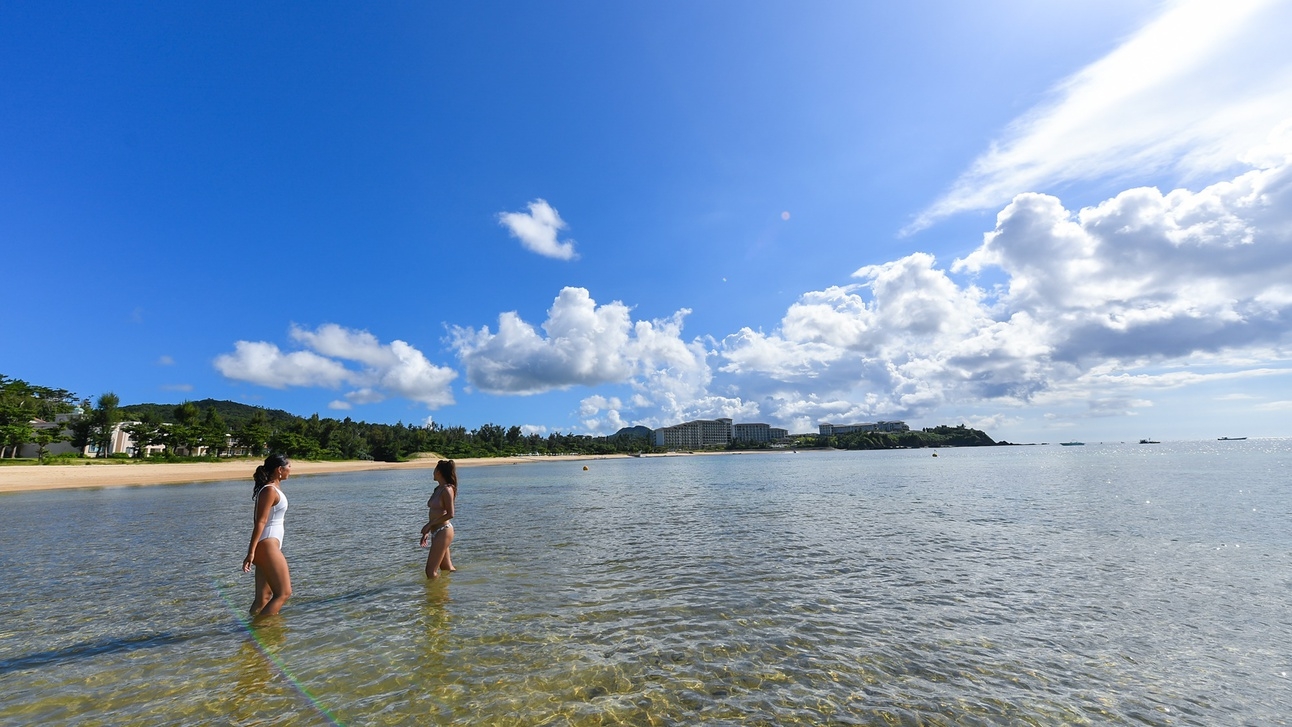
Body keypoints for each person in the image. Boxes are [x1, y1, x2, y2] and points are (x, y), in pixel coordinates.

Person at [243, 453, 293, 617]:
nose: (290, 471)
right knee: (284, 593)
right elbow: (260, 522)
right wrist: (251, 552)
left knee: (263, 598)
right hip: (267, 546)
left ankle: (251, 634)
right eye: (289, 467)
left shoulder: (273, 489)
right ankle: (262, 630)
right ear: (280, 469)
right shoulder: (269, 490)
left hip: (268, 545)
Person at [419, 459, 457, 578]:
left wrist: (429, 525)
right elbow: (435, 513)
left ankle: (436, 596)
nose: (433, 472)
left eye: (435, 470)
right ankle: (450, 593)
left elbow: (450, 514)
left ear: (439, 472)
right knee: (446, 568)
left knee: (430, 571)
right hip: (436, 531)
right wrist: (428, 531)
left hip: (444, 530)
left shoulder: (447, 489)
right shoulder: (438, 489)